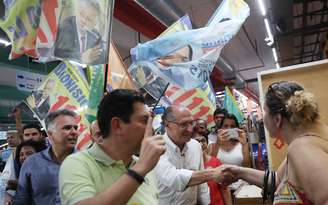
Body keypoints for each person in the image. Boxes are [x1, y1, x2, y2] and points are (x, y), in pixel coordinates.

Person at [222, 81, 328, 205]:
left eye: (264, 112)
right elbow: (277, 179)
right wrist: (238, 172)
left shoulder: (301, 147)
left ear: (277, 119)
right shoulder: (304, 142)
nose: (262, 117)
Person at [59, 89, 166, 205]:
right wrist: (140, 169)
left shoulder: (145, 168)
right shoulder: (77, 163)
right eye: (145, 121)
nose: (151, 129)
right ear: (117, 125)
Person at [154, 106, 234, 205]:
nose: (190, 129)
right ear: (167, 125)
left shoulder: (195, 146)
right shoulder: (157, 147)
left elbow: (202, 186)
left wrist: (206, 202)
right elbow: (173, 178)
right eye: (183, 124)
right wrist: (212, 174)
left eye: (191, 123)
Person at [13, 109, 78, 205]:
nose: (74, 132)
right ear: (50, 134)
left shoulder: (86, 162)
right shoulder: (31, 162)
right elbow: (21, 199)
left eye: (75, 128)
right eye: (67, 128)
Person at [54, 0, 105, 64]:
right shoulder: (66, 27)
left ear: (95, 23)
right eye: (81, 13)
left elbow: (102, 56)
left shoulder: (95, 34)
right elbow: (57, 53)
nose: (83, 20)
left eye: (89, 19)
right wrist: (80, 57)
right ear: (77, 11)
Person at [194, 135, 232, 205]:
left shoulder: (216, 162)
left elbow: (224, 189)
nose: (200, 144)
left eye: (203, 140)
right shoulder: (190, 165)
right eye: (197, 141)